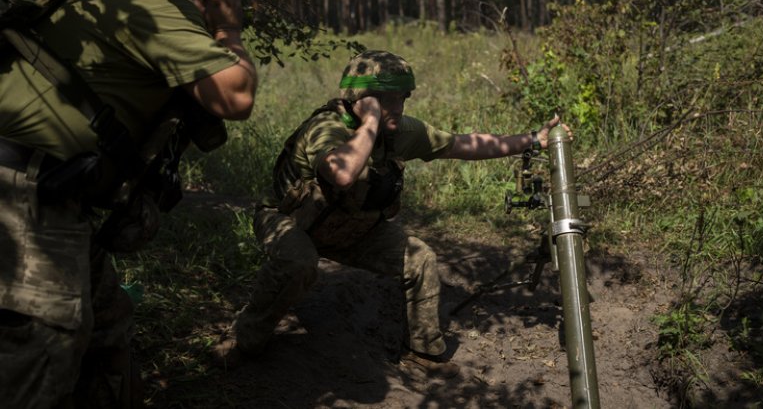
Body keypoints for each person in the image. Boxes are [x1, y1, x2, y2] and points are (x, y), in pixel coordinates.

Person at [0, 0, 257, 408]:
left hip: (47, 191)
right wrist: (228, 28)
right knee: (42, 352)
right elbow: (235, 95)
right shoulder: (155, 0)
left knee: (107, 328)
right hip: (23, 193)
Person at [215, 50, 564, 378]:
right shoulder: (326, 128)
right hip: (289, 220)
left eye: (402, 97)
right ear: (360, 99)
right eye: (386, 99)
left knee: (420, 259)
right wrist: (370, 122)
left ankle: (422, 353)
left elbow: (462, 144)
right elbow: (342, 174)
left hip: (347, 228)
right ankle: (244, 339)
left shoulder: (399, 132)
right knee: (298, 261)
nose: (397, 107)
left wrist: (532, 139)